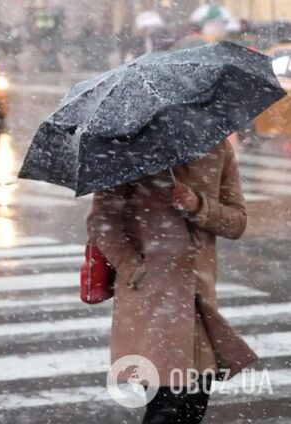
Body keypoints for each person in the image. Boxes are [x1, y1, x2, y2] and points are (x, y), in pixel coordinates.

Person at [87, 139, 257, 423]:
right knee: (166, 408)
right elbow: (102, 223)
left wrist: (198, 205)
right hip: (152, 304)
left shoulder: (218, 148)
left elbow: (237, 222)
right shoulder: (127, 149)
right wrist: (135, 268)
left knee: (194, 407)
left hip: (199, 307)